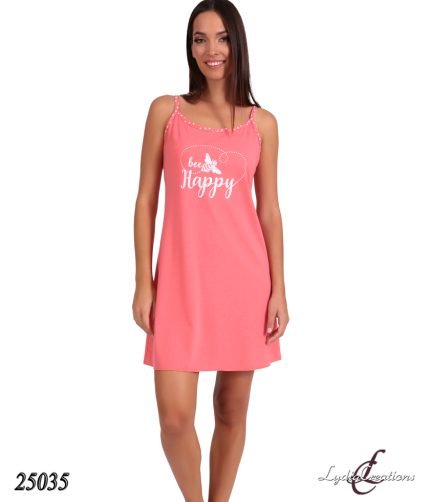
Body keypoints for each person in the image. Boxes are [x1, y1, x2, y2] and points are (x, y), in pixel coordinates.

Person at [132, 0, 289, 500]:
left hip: (243, 286)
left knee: (230, 410)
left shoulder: (262, 124)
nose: (211, 50)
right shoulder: (167, 112)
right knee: (175, 418)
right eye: (200, 39)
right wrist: (143, 282)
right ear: (190, 47)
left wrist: (279, 290)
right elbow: (146, 199)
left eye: (221, 38)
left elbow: (269, 211)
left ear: (237, 43)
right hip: (179, 285)